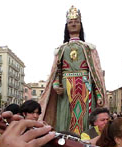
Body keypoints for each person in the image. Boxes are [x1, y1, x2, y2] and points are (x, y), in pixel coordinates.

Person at [39, 6, 107, 135]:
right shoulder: (61, 49)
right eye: (70, 22)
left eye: (76, 21)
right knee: (65, 117)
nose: (73, 23)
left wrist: (98, 94)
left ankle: (84, 145)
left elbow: (95, 74)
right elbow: (56, 72)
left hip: (85, 85)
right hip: (65, 88)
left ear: (81, 25)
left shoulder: (88, 48)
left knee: (85, 118)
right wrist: (55, 86)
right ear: (66, 26)